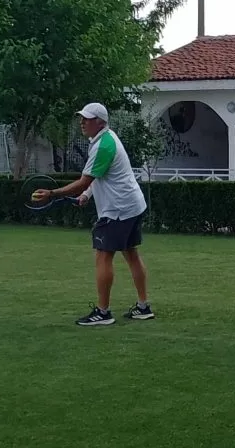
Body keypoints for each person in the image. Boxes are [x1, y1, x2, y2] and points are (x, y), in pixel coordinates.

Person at [33, 102, 154, 327]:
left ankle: (103, 312)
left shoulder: (103, 146)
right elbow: (97, 177)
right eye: (82, 118)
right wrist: (87, 195)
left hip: (118, 210)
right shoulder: (105, 140)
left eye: (86, 119)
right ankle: (143, 307)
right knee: (131, 254)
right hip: (132, 205)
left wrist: (52, 193)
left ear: (100, 122)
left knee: (103, 256)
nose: (82, 122)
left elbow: (84, 181)